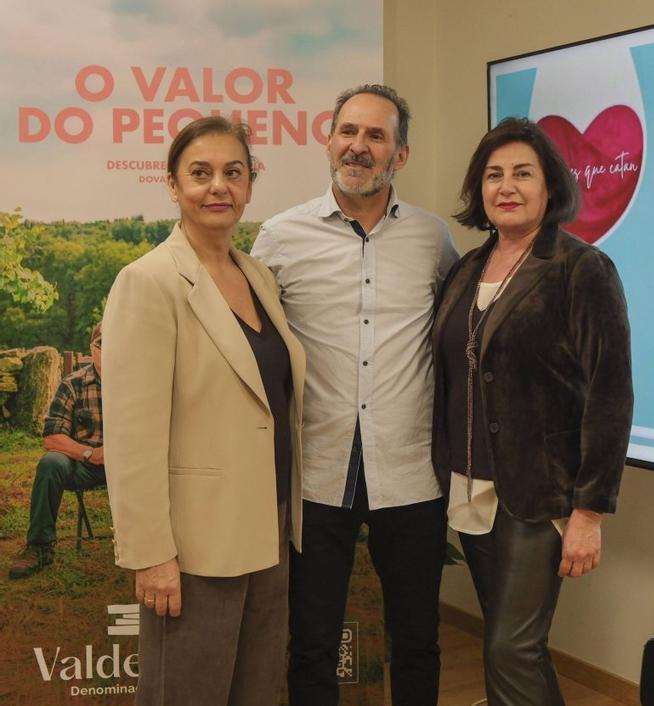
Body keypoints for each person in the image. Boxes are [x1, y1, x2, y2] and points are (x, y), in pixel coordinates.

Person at [252, 84, 457, 706]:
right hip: (318, 475)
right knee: (312, 643)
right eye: (348, 131)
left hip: (411, 475)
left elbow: (455, 338)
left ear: (401, 154)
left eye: (375, 136)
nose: (358, 146)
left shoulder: (433, 239)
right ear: (328, 140)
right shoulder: (280, 237)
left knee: (417, 640)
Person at [101, 116, 306, 705]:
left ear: (249, 185)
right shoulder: (148, 281)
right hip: (194, 546)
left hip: (268, 527)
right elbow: (132, 436)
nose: (218, 186)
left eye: (233, 172)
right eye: (201, 173)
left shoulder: (258, 275)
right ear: (173, 185)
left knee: (257, 693)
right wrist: (151, 555)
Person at [431, 117, 634, 706]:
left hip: (539, 494)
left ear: (550, 187)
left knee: (509, 650)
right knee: (517, 644)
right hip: (472, 486)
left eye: (523, 173)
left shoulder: (580, 268)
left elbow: (611, 393)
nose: (507, 186)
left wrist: (589, 513)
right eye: (494, 175)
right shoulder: (467, 269)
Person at [8, 323, 105, 579]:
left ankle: (163, 546)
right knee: (51, 463)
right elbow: (52, 438)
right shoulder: (73, 384)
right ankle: (39, 546)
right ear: (92, 349)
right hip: (86, 465)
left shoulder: (137, 384)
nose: (110, 350)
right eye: (102, 344)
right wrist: (91, 453)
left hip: (132, 466)